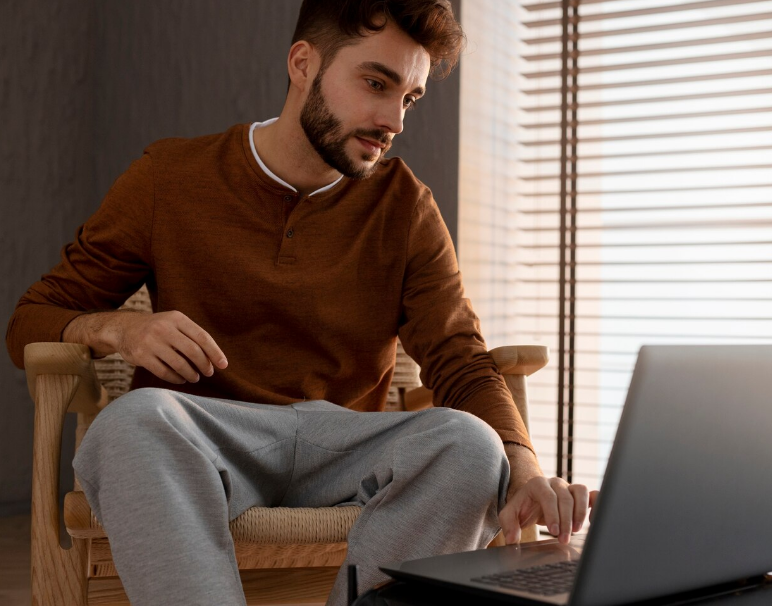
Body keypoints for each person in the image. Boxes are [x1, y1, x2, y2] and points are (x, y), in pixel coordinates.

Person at [6, 1, 597, 604]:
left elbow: (460, 359)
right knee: (128, 425)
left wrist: (523, 469)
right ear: (303, 64)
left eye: (410, 98)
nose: (394, 119)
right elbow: (31, 320)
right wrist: (119, 331)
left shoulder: (406, 207)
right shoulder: (170, 178)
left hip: (343, 447)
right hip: (210, 438)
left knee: (472, 445)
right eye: (375, 83)